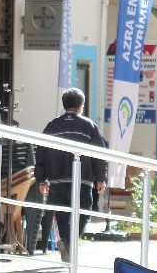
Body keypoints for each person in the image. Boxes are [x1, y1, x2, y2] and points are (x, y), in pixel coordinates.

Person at [35, 88, 108, 263]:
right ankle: (70, 242)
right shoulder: (89, 126)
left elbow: (41, 153)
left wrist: (41, 179)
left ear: (64, 104)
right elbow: (100, 153)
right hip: (83, 180)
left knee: (61, 214)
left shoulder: (52, 126)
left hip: (56, 180)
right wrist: (101, 178)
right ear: (81, 105)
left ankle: (66, 244)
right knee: (84, 213)